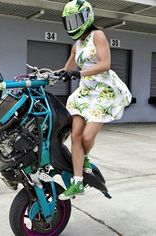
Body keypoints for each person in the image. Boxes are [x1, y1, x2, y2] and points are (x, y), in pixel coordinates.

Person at [57, 0, 132, 200]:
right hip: (85, 92)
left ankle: (85, 159)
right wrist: (54, 75)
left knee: (87, 138)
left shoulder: (97, 35)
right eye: (70, 21)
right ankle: (77, 182)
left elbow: (105, 64)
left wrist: (79, 73)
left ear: (87, 17)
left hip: (103, 91)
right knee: (75, 136)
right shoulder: (76, 45)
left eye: (76, 20)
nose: (73, 25)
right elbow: (67, 69)